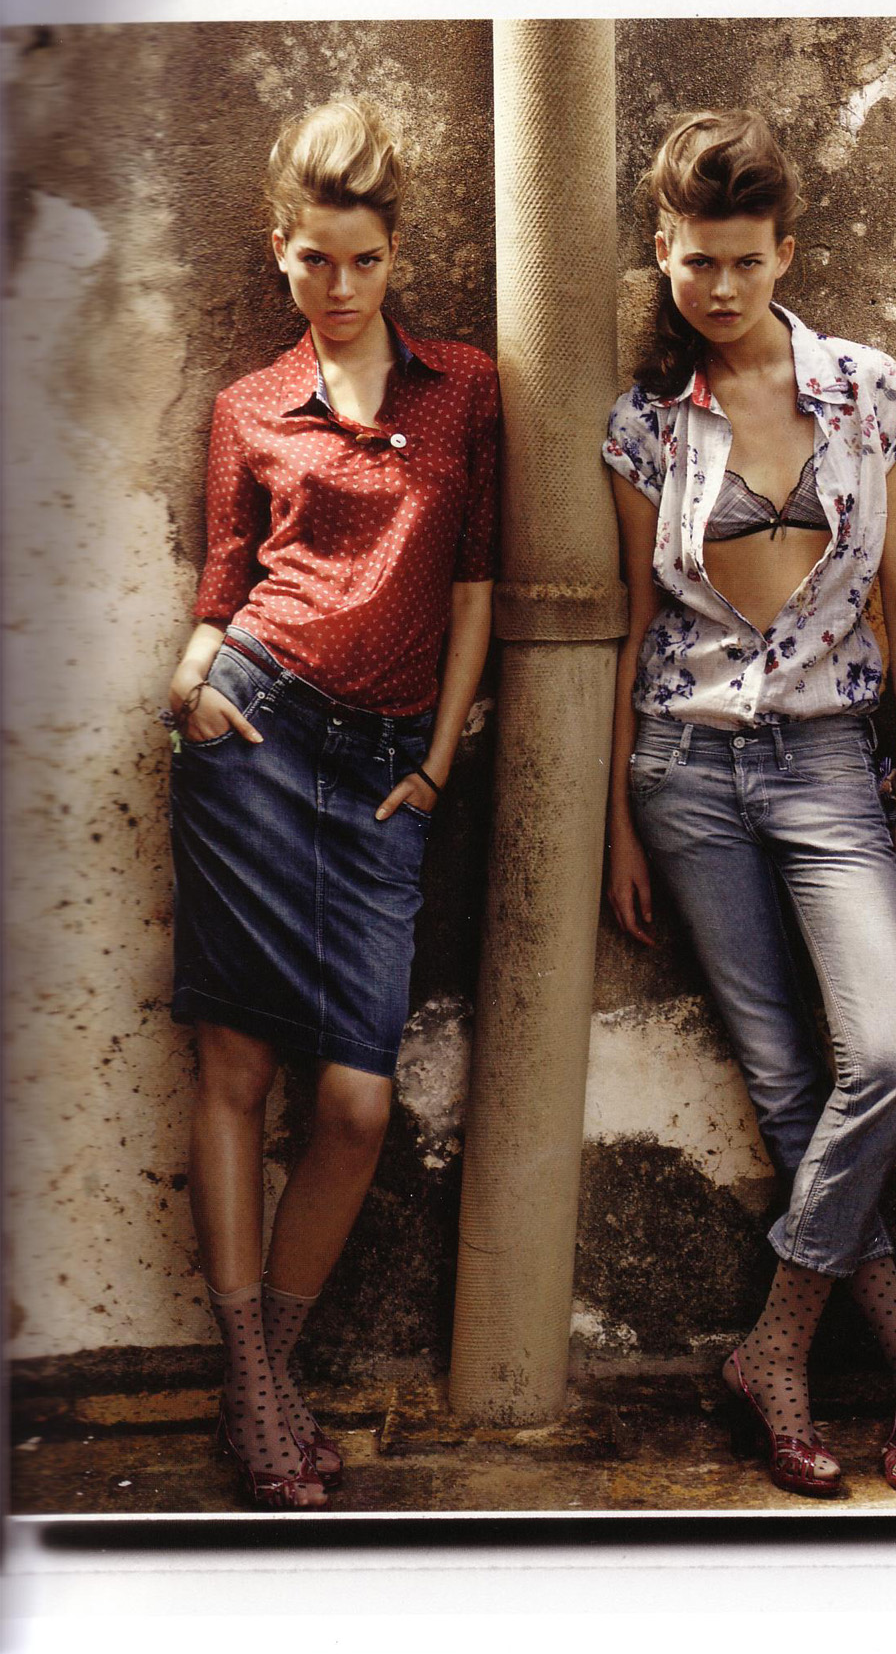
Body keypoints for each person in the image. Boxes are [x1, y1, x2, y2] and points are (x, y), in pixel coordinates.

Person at [603, 109, 896, 1497]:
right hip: (685, 773)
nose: (721, 286)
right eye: (697, 260)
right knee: (783, 1082)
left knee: (890, 1057)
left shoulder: (867, 390)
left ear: (786, 253)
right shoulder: (645, 423)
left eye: (746, 259)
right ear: (663, 251)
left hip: (827, 766)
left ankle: (781, 1344)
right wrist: (618, 825)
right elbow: (635, 632)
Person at [166, 98, 497, 1509]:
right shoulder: (247, 406)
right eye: (315, 260)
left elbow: (475, 582)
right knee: (235, 1070)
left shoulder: (465, 389)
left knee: (356, 1101)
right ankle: (258, 1392)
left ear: (395, 253)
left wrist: (437, 762)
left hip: (383, 776)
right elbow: (222, 583)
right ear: (280, 251)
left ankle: (267, 1374)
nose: (340, 286)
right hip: (251, 733)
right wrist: (191, 676)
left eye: (363, 260)